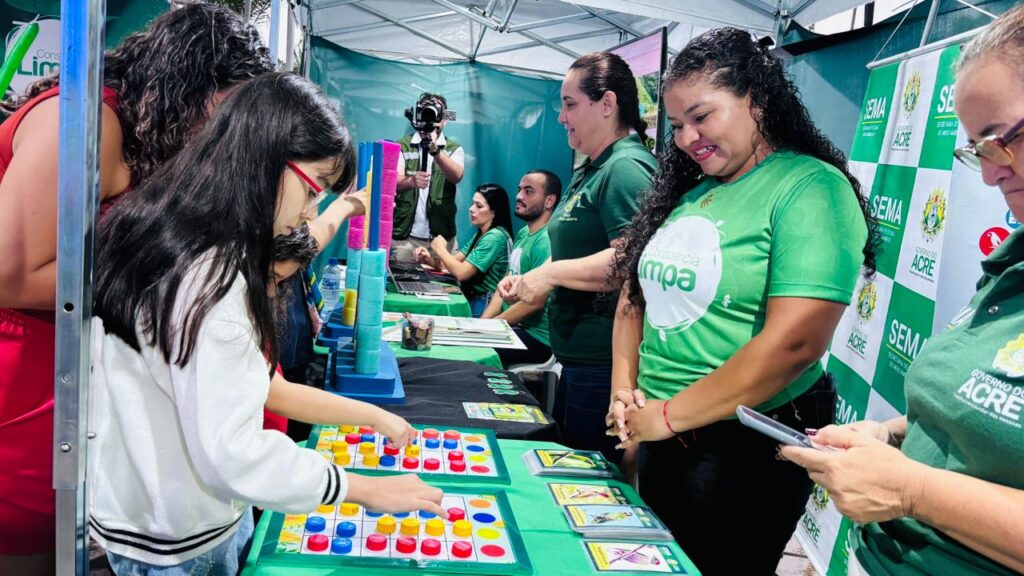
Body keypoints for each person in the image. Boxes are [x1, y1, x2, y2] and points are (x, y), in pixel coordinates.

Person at [90, 73, 446, 573]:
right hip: (181, 539)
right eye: (313, 188)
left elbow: (258, 387)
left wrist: (371, 417)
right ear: (267, 159)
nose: (309, 212)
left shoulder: (164, 230)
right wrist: (361, 489)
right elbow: (233, 452)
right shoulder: (211, 278)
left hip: (146, 517)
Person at [0, 4, 273, 571]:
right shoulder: (81, 122)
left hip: (64, 373)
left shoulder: (148, 139)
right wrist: (161, 283)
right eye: (226, 114)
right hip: (22, 379)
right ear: (189, 84)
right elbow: (10, 275)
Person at [603, 28, 876, 575]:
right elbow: (633, 295)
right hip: (661, 430)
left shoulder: (810, 186)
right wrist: (624, 393)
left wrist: (667, 415)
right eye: (677, 125)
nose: (685, 138)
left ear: (757, 98)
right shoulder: (693, 191)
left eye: (702, 117)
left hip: (742, 446)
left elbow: (794, 343)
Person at [782, 7, 1024, 575]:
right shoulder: (1010, 262)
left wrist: (912, 490)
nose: (989, 174)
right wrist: (891, 434)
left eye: (1000, 141)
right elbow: (977, 423)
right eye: (976, 150)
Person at [501, 52, 656, 462]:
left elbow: (632, 263)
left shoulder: (626, 168)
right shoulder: (593, 167)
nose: (560, 117)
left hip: (603, 366)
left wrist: (549, 274)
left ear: (607, 104)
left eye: (570, 104)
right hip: (579, 361)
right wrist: (532, 278)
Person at [482, 170, 561, 366]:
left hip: (536, 338)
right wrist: (482, 324)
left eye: (528, 191)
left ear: (549, 201)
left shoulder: (546, 241)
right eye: (519, 190)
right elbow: (504, 287)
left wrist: (491, 327)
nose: (518, 196)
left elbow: (533, 303)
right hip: (512, 327)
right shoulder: (524, 233)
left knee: (473, 351)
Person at [415, 183, 512, 317]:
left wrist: (440, 248)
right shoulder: (482, 234)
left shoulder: (495, 237)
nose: (471, 209)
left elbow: (461, 273)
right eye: (473, 204)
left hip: (484, 303)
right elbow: (450, 265)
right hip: (475, 298)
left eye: (479, 206)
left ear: (494, 212)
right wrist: (428, 259)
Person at [392, 92, 465, 262]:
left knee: (447, 284)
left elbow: (456, 176)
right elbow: (393, 182)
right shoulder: (401, 146)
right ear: (418, 115)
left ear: (445, 119)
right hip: (405, 237)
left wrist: (435, 151)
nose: (430, 118)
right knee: (399, 283)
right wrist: (411, 181)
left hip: (442, 239)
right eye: (426, 112)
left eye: (435, 113)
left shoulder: (454, 148)